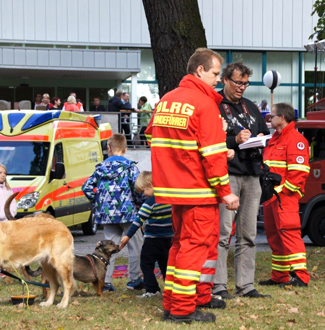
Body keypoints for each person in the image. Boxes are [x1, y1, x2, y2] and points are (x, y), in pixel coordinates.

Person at [145, 48, 240, 323]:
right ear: (199, 71)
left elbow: (156, 139)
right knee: (194, 248)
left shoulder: (166, 100)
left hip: (174, 190)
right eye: (214, 74)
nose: (217, 80)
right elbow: (211, 156)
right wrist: (225, 192)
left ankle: (171, 302)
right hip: (199, 190)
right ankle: (183, 309)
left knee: (178, 246)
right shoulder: (203, 104)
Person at [213, 62, 270, 300]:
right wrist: (234, 139)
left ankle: (246, 285)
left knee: (247, 234)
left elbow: (262, 131)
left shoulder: (250, 107)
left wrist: (259, 137)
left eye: (245, 83)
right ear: (225, 79)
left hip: (252, 174)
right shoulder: (214, 104)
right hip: (228, 175)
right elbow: (209, 140)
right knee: (223, 233)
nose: (242, 88)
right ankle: (217, 286)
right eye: (238, 82)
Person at [82, 133, 143, 292]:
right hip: (128, 212)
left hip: (106, 214)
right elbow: (138, 188)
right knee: (135, 245)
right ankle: (134, 279)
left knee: (109, 247)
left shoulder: (100, 167)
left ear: (108, 148)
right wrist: (138, 203)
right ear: (125, 149)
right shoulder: (130, 167)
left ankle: (106, 281)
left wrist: (99, 201)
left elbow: (86, 187)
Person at [259, 102, 310, 287]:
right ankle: (279, 276)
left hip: (284, 197)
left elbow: (299, 173)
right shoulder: (275, 139)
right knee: (274, 236)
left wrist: (281, 191)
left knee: (289, 233)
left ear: (282, 117)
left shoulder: (295, 139)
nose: (269, 118)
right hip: (272, 197)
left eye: (272, 116)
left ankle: (300, 277)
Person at [119, 171, 173, 298]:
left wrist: (127, 236)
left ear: (150, 185)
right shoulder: (170, 199)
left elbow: (138, 221)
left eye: (143, 191)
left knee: (146, 264)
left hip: (152, 241)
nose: (143, 194)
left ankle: (152, 290)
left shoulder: (149, 204)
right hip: (169, 239)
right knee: (167, 265)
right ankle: (171, 289)